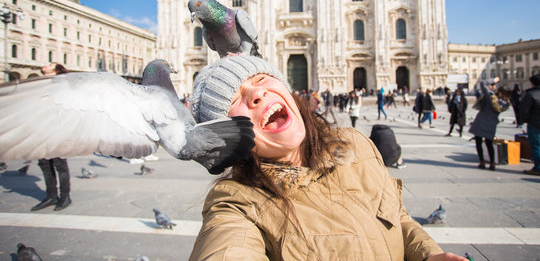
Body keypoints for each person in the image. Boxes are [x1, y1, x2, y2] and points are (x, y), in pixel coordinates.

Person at [187, 55, 465, 261]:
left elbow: (396, 217)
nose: (256, 93)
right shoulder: (238, 204)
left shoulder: (355, 144)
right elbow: (226, 246)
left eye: (260, 79)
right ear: (229, 137)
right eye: (233, 101)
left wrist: (428, 255)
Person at [31, 62, 72, 211]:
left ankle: (65, 196)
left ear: (56, 70)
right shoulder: (40, 84)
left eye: (50, 64)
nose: (45, 65)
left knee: (59, 164)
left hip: (57, 129)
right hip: (40, 129)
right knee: (44, 164)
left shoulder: (62, 86)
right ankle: (51, 196)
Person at [469, 78, 510, 171]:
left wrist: (493, 80)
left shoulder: (490, 96)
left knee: (478, 142)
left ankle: (482, 162)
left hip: (481, 121)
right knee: (489, 144)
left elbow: (482, 83)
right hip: (492, 123)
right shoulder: (505, 104)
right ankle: (492, 163)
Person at [520, 74, 540, 176]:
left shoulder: (531, 94)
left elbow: (524, 110)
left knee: (536, 145)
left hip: (535, 124)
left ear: (532, 83)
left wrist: (525, 120)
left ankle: (538, 168)